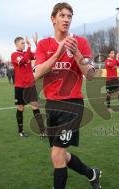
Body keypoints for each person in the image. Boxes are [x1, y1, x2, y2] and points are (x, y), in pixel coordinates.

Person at [34, 3, 101, 189]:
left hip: (72, 105)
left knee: (56, 154)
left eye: (69, 16)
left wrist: (77, 53)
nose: (66, 19)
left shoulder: (81, 42)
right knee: (61, 154)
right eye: (62, 15)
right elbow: (37, 72)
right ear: (53, 19)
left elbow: (91, 74)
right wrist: (58, 54)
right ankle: (91, 173)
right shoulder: (43, 44)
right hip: (52, 105)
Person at [11, 34, 46, 137]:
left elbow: (39, 56)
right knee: (21, 108)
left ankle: (42, 131)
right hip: (20, 86)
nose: (24, 44)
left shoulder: (28, 52)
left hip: (30, 85)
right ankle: (20, 131)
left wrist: (36, 43)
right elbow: (23, 60)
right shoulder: (14, 55)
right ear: (16, 44)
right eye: (22, 43)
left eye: (24, 43)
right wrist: (30, 46)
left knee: (35, 106)